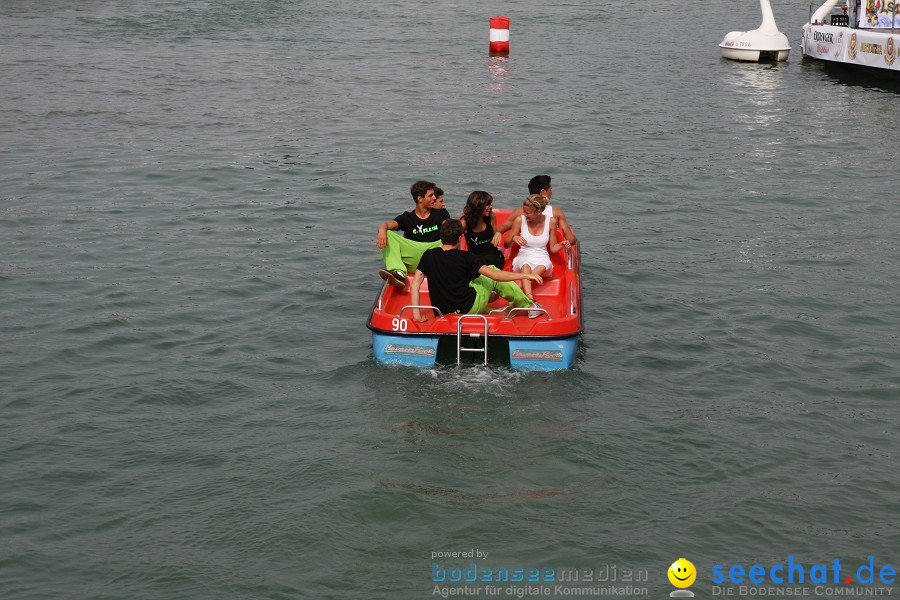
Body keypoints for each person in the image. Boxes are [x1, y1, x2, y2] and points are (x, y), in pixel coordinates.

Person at [411, 220, 542, 322]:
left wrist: (417, 316)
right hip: (468, 309)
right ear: (459, 238)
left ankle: (489, 307)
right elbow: (495, 276)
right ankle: (528, 306)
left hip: (443, 313)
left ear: (441, 237)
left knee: (473, 278)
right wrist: (525, 275)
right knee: (491, 269)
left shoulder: (428, 255)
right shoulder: (465, 257)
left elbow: (415, 284)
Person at [376, 180, 451, 290]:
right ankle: (399, 273)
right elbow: (386, 224)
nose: (434, 198)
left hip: (434, 255)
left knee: (449, 234)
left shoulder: (442, 213)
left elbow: (449, 230)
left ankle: (447, 270)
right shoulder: (407, 217)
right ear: (420, 199)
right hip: (415, 258)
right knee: (387, 233)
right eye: (430, 195)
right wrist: (382, 231)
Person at [504, 194, 570, 307]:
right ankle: (530, 300)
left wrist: (562, 245)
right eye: (524, 211)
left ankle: (514, 291)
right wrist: (514, 238)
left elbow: (553, 248)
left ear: (538, 212)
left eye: (527, 213)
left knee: (544, 264)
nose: (524, 214)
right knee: (525, 265)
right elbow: (506, 244)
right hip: (523, 256)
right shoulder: (520, 220)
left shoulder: (551, 222)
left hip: (542, 258)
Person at [497, 175, 577, 245]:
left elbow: (499, 230)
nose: (551, 193)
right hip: (548, 255)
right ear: (543, 191)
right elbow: (571, 240)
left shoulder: (519, 212)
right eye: (550, 190)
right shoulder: (556, 212)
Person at [459, 190, 505, 269]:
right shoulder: (465, 222)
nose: (490, 207)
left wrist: (498, 233)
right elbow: (454, 239)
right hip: (475, 258)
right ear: (478, 206)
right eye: (487, 205)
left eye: (490, 204)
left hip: (492, 256)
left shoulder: (491, 216)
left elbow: (496, 233)